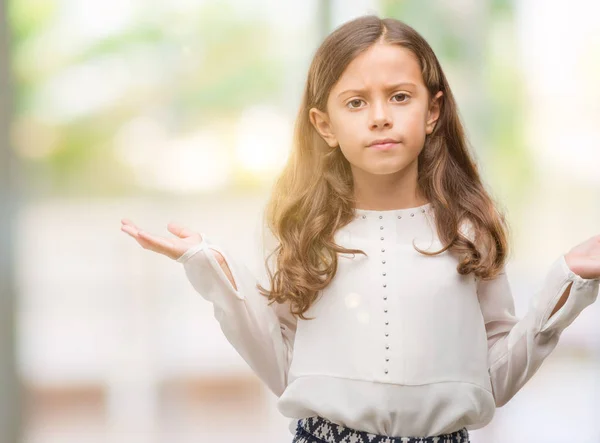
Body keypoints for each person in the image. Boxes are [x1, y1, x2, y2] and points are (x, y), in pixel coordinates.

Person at [120, 15, 600, 443]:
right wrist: (208, 265)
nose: (380, 117)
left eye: (399, 96)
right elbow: (284, 370)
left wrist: (568, 278)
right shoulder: (303, 233)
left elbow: (494, 382)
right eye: (355, 102)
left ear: (432, 111)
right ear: (323, 124)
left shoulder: (469, 231)